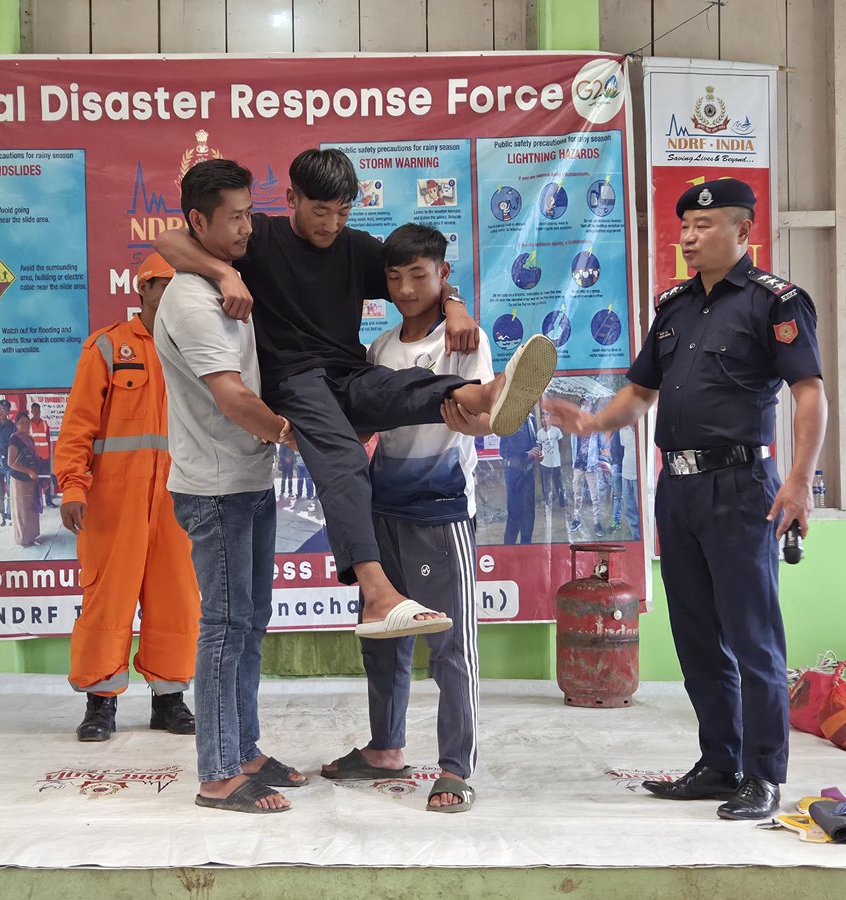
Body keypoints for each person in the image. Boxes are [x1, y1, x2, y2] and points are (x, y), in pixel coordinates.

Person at [156, 149, 557, 640]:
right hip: (294, 382)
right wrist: (224, 273)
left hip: (347, 372)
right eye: (321, 211)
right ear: (292, 199)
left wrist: (454, 305)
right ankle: (377, 594)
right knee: (345, 459)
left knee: (397, 385)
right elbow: (168, 239)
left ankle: (485, 393)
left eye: (343, 212)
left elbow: (419, 274)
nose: (331, 225)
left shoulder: (357, 248)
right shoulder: (258, 237)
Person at [548, 179, 827, 820]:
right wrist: (593, 423)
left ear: (743, 231)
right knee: (696, 635)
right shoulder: (673, 307)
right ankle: (719, 763)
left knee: (752, 638)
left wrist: (798, 481)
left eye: (704, 225)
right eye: (685, 227)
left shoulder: (774, 302)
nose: (689, 237)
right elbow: (640, 392)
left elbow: (809, 391)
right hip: (676, 488)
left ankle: (763, 775)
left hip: (741, 488)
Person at [321, 223, 492, 812]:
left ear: (443, 274)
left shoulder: (463, 339)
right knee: (383, 639)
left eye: (419, 275)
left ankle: (456, 768)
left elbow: (483, 417)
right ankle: (385, 749)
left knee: (451, 646)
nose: (405, 289)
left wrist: (482, 414)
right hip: (381, 509)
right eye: (394, 278)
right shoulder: (380, 349)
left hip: (441, 511)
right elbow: (368, 421)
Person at [153, 159, 306, 814]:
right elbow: (233, 398)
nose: (248, 228)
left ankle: (244, 750)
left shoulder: (223, 273)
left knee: (250, 622)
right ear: (199, 220)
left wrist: (226, 270)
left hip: (247, 477)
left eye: (250, 213)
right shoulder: (190, 302)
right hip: (214, 488)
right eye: (234, 218)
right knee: (223, 626)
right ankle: (217, 774)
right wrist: (300, 438)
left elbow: (171, 239)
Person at [55, 251, 200, 742]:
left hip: (180, 499)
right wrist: (73, 485)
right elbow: (78, 424)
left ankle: (169, 701)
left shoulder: (198, 348)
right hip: (113, 502)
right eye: (166, 284)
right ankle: (100, 704)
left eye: (183, 285)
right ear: (144, 289)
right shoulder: (107, 347)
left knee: (177, 599)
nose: (175, 294)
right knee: (107, 600)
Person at [499, 411, 540, 544]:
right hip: (514, 471)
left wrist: (539, 452)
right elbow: (504, 451)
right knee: (515, 513)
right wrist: (526, 454)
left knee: (528, 514)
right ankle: (508, 549)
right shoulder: (508, 418)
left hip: (528, 471)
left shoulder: (531, 419)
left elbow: (535, 441)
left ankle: (526, 548)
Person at [569, 398, 605, 538]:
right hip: (578, 465)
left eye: (587, 404)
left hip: (591, 466)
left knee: (595, 496)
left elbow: (602, 445)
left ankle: (597, 523)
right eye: (582, 404)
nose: (584, 406)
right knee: (577, 494)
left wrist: (598, 460)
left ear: (591, 406)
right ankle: (576, 519)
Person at [7, 413, 41, 548]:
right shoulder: (15, 439)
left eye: (27, 422)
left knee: (32, 510)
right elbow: (10, 462)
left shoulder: (30, 439)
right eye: (21, 422)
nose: (25, 425)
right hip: (19, 480)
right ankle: (23, 540)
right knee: (22, 511)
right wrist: (29, 471)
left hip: (31, 480)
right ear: (16, 425)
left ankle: (32, 537)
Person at [536, 408, 567, 509]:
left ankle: (562, 504)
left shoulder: (556, 431)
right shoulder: (540, 433)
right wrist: (540, 461)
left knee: (558, 483)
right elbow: (539, 448)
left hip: (555, 463)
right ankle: (548, 504)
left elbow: (561, 444)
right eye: (542, 416)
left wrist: (557, 456)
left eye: (546, 415)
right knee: (546, 486)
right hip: (545, 463)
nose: (544, 418)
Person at [29, 402, 57, 509]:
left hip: (45, 456)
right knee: (35, 480)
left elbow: (48, 438)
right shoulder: (28, 424)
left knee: (46, 479)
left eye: (38, 410)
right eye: (35, 410)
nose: (37, 412)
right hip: (34, 457)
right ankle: (37, 503)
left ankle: (48, 501)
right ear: (31, 411)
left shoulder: (45, 423)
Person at [619, 423, 640, 539]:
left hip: (639, 476)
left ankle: (645, 539)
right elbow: (623, 446)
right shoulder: (623, 429)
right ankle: (636, 537)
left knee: (641, 508)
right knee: (629, 509)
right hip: (626, 473)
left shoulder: (641, 430)